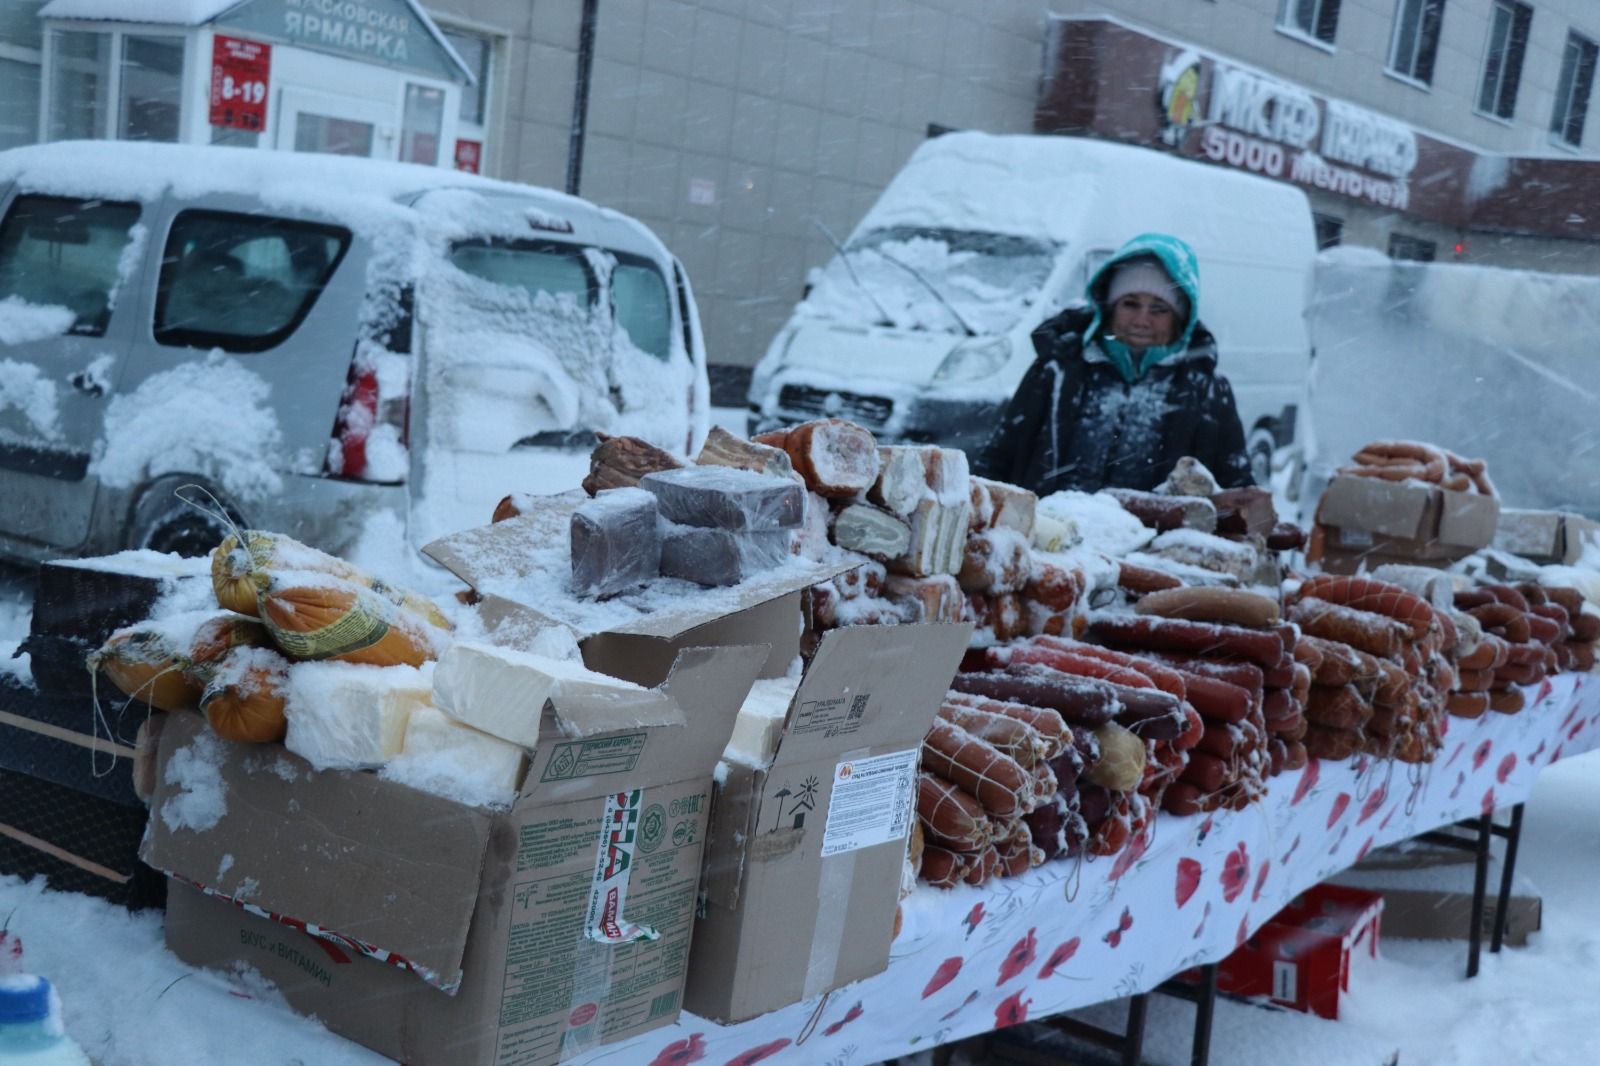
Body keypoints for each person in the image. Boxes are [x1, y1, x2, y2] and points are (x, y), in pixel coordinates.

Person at [973, 232, 1252, 495]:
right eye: (1130, 303)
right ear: (1108, 307)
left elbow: (1234, 487)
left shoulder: (1205, 390)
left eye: (1159, 309)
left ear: (1181, 317)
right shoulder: (1058, 369)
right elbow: (999, 458)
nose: (1142, 320)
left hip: (1152, 544)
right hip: (1051, 538)